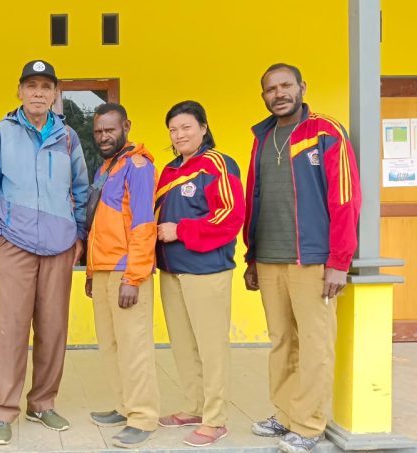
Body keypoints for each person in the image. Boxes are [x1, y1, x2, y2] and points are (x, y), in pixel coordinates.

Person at [243, 63, 361, 453]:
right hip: (270, 257)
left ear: (301, 87)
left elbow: (345, 198)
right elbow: (254, 198)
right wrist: (252, 257)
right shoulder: (262, 137)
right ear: (263, 96)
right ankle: (286, 414)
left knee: (314, 343)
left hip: (311, 259)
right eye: (270, 89)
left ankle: (309, 425)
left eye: (285, 86)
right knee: (281, 341)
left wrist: (339, 261)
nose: (279, 94)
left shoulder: (326, 132)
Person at [0, 59, 88, 445]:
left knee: (53, 329)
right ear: (19, 91)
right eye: (31, 85)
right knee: (10, 329)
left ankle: (42, 403)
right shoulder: (0, 135)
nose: (38, 92)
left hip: (59, 247)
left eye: (46, 86)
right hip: (15, 245)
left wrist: (79, 235)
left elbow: (81, 189)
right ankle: (4, 410)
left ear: (56, 93)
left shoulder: (68, 137)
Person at [154, 100, 245, 447]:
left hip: (206, 271)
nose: (179, 135)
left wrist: (182, 231)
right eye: (174, 130)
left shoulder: (218, 165)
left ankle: (216, 418)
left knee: (211, 347)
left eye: (186, 127)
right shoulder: (170, 170)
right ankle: (193, 406)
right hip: (172, 271)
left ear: (204, 128)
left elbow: (230, 216)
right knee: (183, 343)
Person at [84, 103, 159, 449]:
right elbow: (99, 226)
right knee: (111, 345)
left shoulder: (138, 166)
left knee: (134, 348)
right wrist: (90, 271)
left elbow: (144, 224)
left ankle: (142, 417)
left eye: (110, 130)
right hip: (103, 271)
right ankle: (124, 405)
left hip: (127, 272)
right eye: (98, 131)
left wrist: (134, 277)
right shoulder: (107, 167)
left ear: (126, 126)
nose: (103, 136)